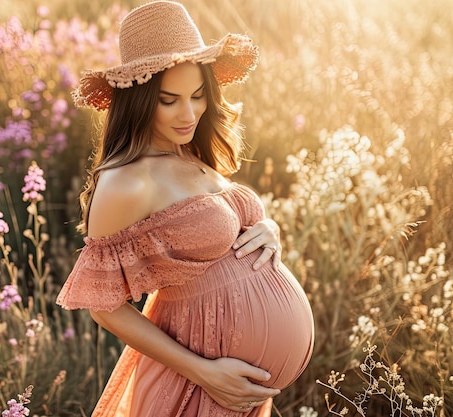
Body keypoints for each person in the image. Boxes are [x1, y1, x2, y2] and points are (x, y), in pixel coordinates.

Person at [56, 1, 314, 416]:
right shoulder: (127, 181)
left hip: (238, 390)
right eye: (169, 100)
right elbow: (104, 307)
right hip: (199, 384)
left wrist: (268, 228)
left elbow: (224, 229)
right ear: (139, 100)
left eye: (198, 95)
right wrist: (204, 372)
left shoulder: (190, 153)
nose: (189, 112)